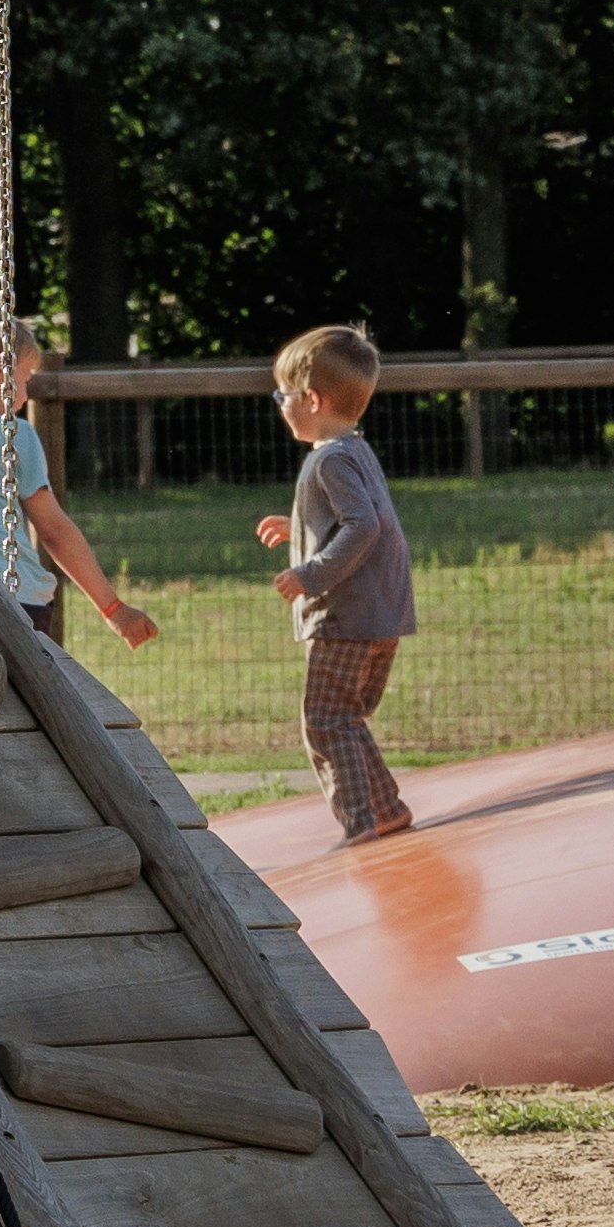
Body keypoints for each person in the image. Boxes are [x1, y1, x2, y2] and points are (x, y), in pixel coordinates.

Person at [0, 306, 157, 650]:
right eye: (26, 379)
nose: (28, 394)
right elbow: (53, 531)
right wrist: (113, 608)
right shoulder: (14, 434)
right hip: (16, 598)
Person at [265, 318, 419, 843]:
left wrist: (310, 573)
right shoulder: (356, 450)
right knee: (346, 718)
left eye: (282, 393)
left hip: (344, 618)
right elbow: (356, 517)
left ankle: (361, 824)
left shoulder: (329, 460)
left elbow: (363, 527)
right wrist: (301, 528)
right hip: (382, 616)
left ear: (311, 399)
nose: (278, 402)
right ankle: (386, 808)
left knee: (327, 721)